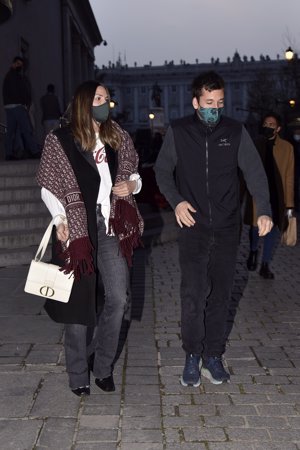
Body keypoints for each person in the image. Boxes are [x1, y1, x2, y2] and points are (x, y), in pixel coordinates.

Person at [154, 71, 272, 387]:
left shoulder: (235, 132)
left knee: (221, 294)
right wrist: (177, 202)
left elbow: (256, 174)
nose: (214, 109)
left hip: (226, 227)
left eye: (219, 103)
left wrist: (263, 210)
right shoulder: (179, 132)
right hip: (193, 226)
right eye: (208, 103)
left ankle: (213, 356)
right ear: (195, 102)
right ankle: (192, 355)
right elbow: (162, 171)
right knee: (193, 294)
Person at [36, 80, 144, 396]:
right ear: (83, 101)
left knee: (119, 298)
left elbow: (132, 173)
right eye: (98, 97)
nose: (103, 102)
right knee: (77, 304)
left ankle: (103, 366)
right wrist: (60, 219)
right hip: (78, 228)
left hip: (110, 223)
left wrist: (132, 187)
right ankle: (78, 373)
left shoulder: (117, 136)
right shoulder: (60, 140)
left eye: (107, 98)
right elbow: (48, 185)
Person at [245, 112, 294, 279]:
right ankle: (253, 250)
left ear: (278, 128)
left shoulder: (287, 148)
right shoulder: (256, 144)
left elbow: (289, 177)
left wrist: (289, 204)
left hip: (276, 196)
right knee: (255, 227)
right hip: (258, 194)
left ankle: (265, 265)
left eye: (272, 124)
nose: (268, 126)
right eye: (266, 123)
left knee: (272, 230)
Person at [2, 56, 40, 160]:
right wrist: (24, 103)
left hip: (10, 106)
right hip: (17, 106)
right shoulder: (15, 77)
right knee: (26, 129)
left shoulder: (10, 76)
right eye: (18, 64)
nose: (20, 66)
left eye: (21, 65)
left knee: (11, 132)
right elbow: (19, 92)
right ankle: (35, 151)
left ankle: (9, 154)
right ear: (13, 63)